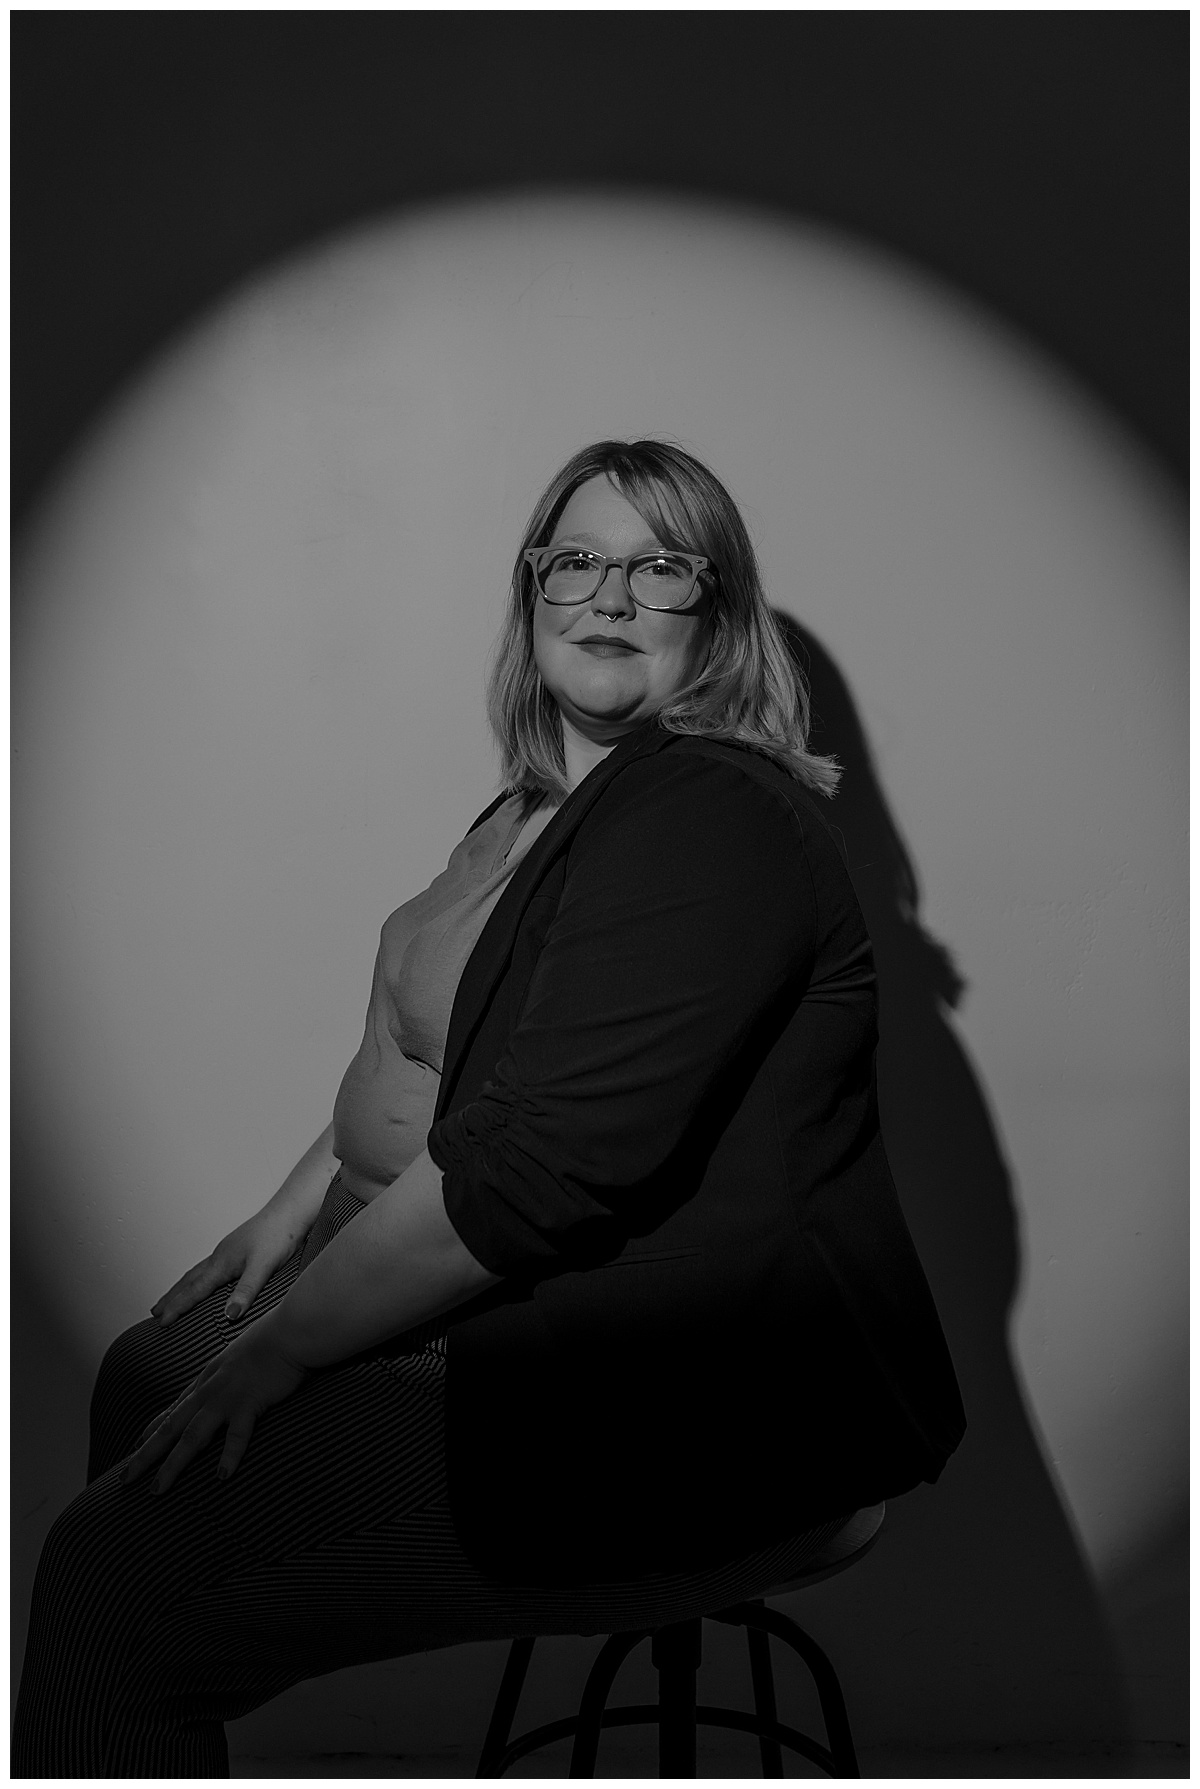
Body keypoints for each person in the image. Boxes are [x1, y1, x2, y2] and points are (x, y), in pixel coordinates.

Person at [13, 439, 965, 1776]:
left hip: (662, 1399)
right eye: (575, 559)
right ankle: (155, 1704)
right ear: (531, 597)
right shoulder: (527, 814)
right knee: (145, 1373)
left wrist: (283, 1350)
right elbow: (451, 1042)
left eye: (660, 566)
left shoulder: (706, 812)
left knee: (102, 1575)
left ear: (721, 610)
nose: (610, 594)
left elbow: (537, 1163)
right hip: (468, 1286)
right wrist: (293, 1210)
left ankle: (138, 1662)